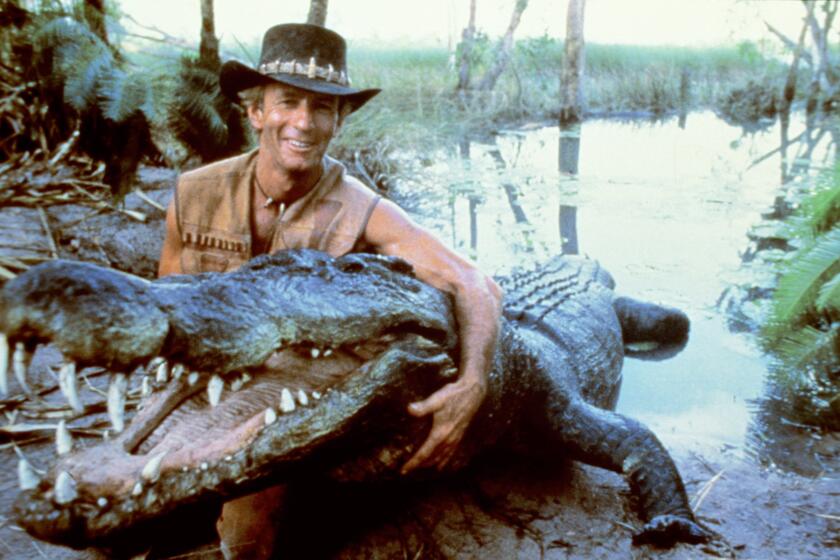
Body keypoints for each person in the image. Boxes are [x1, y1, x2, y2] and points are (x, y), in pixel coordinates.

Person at [158, 23, 502, 559]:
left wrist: (473, 386)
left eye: (322, 108)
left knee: (249, 538)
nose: (303, 122)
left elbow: (474, 282)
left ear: (338, 121)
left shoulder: (364, 209)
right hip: (204, 388)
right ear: (255, 113)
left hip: (291, 405)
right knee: (120, 516)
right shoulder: (193, 193)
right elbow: (167, 308)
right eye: (287, 102)